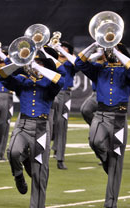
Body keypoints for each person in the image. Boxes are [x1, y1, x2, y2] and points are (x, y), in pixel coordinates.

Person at [0, 50, 64, 208]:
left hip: (42, 128)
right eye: (34, 62)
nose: (35, 65)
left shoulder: (49, 83)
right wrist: (18, 63)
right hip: (23, 124)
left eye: (40, 63)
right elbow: (1, 75)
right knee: (12, 152)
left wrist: (38, 66)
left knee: (40, 176)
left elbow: (61, 80)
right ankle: (18, 174)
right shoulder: (22, 81)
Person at [75, 42, 130, 208]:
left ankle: (110, 206)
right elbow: (79, 63)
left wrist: (116, 52)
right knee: (94, 142)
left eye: (114, 49)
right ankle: (105, 161)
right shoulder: (99, 69)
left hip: (119, 118)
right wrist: (95, 46)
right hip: (101, 114)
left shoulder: (125, 71)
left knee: (117, 163)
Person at [50, 41, 77, 170]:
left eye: (65, 48)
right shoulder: (52, 59)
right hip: (50, 91)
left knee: (62, 125)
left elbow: (78, 64)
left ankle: (60, 158)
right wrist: (51, 49)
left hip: (64, 94)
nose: (61, 50)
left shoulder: (71, 61)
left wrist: (62, 50)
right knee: (46, 124)